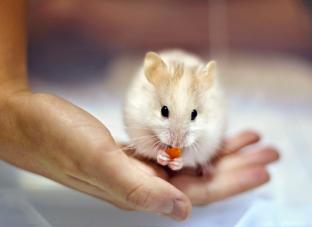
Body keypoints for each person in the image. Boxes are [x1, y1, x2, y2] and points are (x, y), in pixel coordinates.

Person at [0, 0, 279, 221]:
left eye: (193, 116)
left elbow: (207, 141)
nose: (176, 140)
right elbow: (139, 137)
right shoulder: (142, 97)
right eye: (165, 112)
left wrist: (191, 158)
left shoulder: (210, 100)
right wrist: (9, 102)